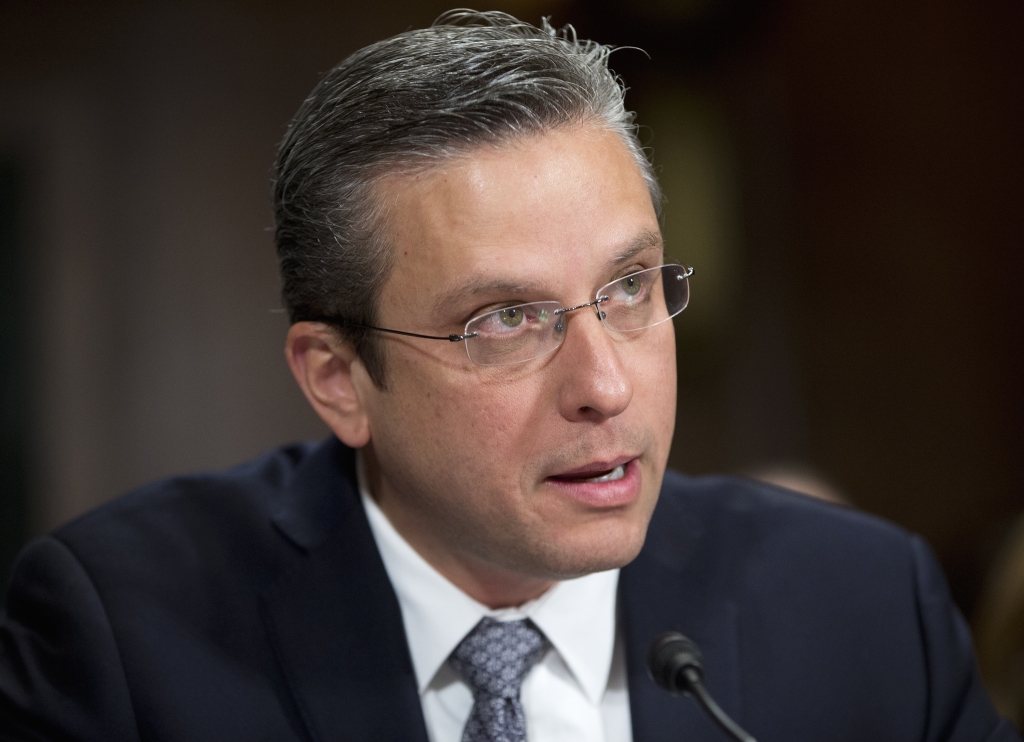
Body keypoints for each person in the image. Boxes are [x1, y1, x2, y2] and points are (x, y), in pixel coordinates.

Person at [0, 11, 1016, 742]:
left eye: (628, 287)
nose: (604, 386)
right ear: (338, 378)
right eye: (506, 320)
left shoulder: (864, 609)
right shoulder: (127, 643)